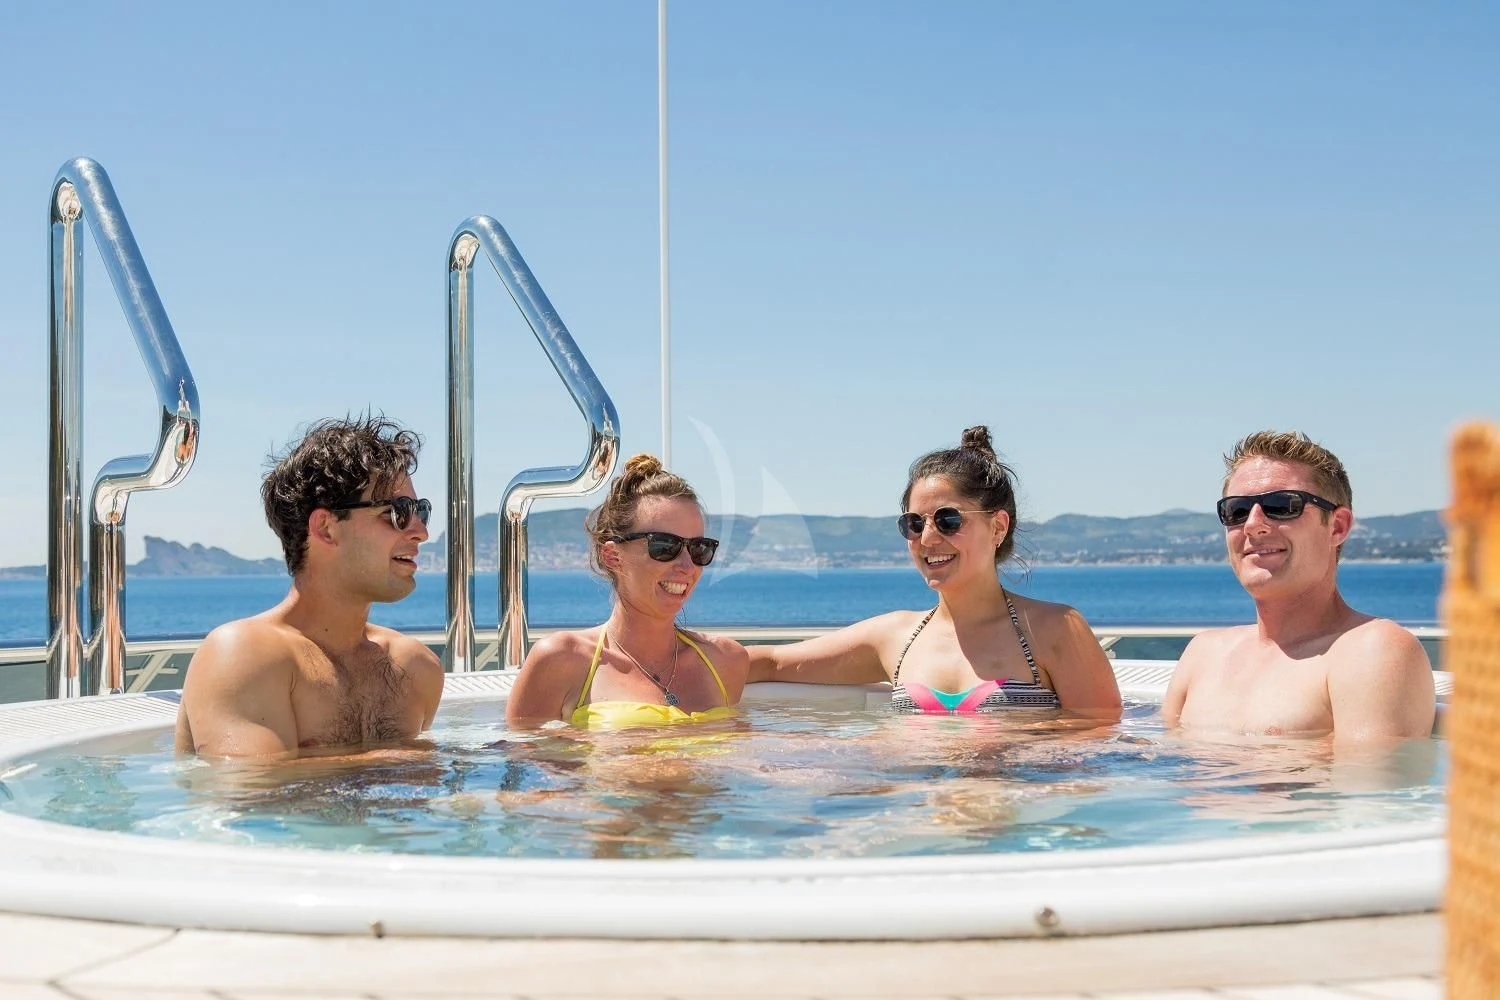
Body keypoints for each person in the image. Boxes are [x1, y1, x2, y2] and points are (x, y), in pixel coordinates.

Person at [749, 426, 1122, 721]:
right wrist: (690, 653)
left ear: (998, 527)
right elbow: (772, 663)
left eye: (948, 520)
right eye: (914, 523)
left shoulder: (1055, 629)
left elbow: (1099, 744)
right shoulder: (895, 637)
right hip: (915, 811)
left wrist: (991, 756)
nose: (927, 538)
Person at [174, 415, 444, 757]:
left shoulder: (416, 668)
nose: (420, 531)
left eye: (421, 510)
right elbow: (252, 794)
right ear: (326, 528)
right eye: (398, 512)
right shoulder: (246, 655)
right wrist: (403, 763)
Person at [1162, 430, 1435, 741]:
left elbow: (1369, 787)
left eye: (1282, 505)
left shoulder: (1372, 651)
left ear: (1338, 526)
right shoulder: (1204, 653)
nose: (1252, 524)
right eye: (1236, 510)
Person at [505, 454, 750, 730]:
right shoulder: (562, 660)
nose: (686, 565)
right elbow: (519, 766)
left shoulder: (726, 661)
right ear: (612, 556)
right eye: (664, 546)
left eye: (699, 548)